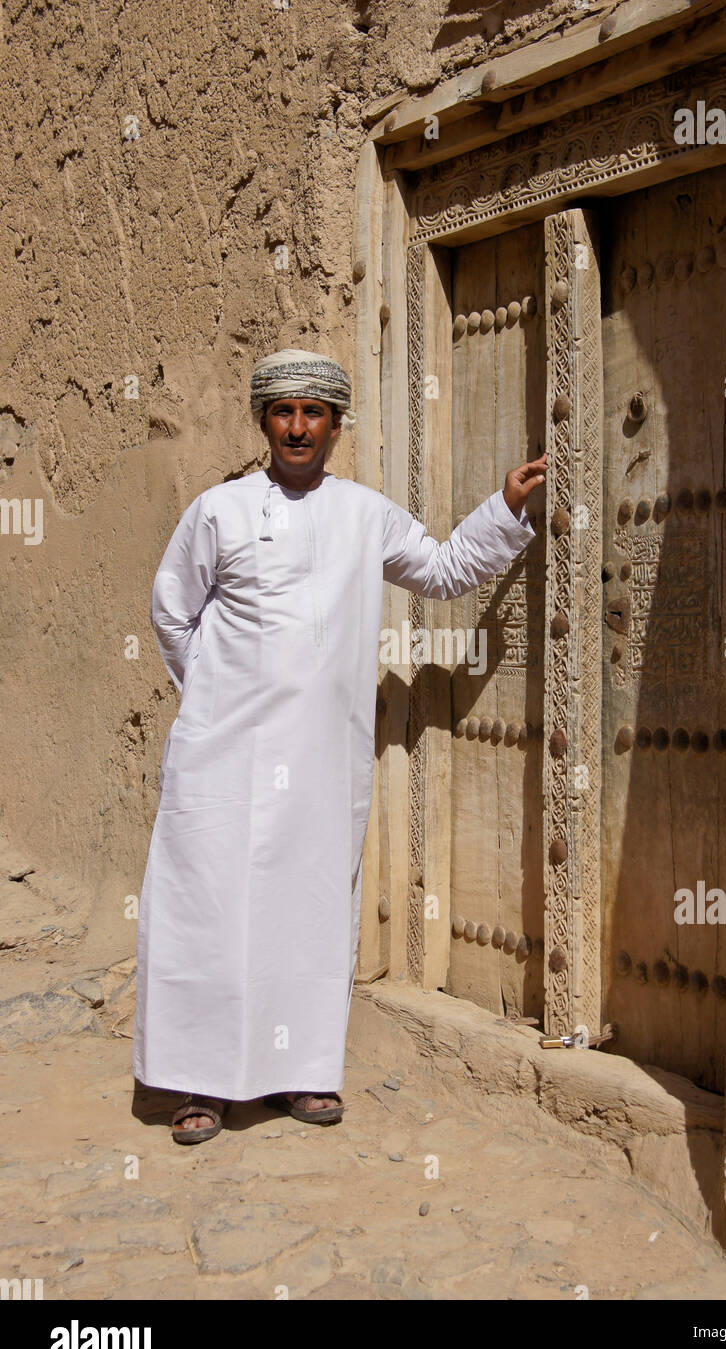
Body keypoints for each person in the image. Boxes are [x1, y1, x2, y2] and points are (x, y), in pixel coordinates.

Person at [132, 347, 547, 1142]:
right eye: (283, 413)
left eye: (312, 414)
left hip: (322, 757)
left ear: (335, 426)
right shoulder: (216, 513)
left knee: (307, 908)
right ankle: (199, 1085)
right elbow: (171, 613)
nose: (297, 428)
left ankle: (299, 1074)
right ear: (263, 422)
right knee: (209, 908)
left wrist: (503, 508)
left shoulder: (365, 514)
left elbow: (444, 570)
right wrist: (217, 702)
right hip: (222, 754)